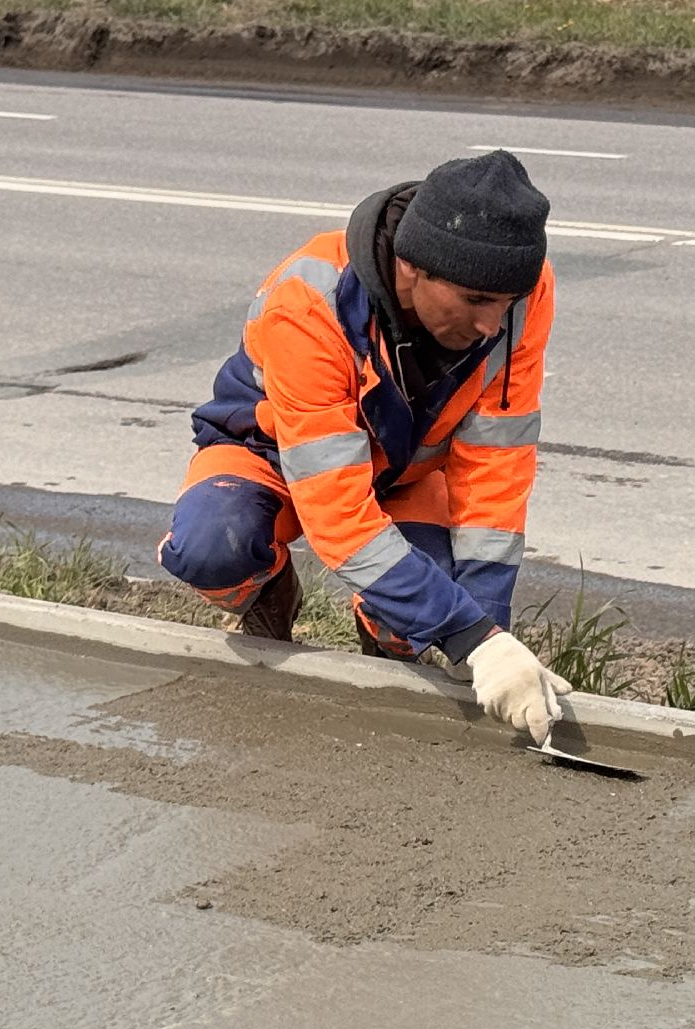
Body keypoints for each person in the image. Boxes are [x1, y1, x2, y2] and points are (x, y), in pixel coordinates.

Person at [158, 150, 572, 746]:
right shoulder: (311, 300)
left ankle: (387, 641)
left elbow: (496, 465)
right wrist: (471, 638)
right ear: (412, 267)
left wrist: (488, 632)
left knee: (432, 600)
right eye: (476, 302)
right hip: (271, 451)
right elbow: (337, 508)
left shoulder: (517, 292)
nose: (493, 324)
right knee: (213, 547)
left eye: (506, 304)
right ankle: (267, 596)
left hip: (405, 467)